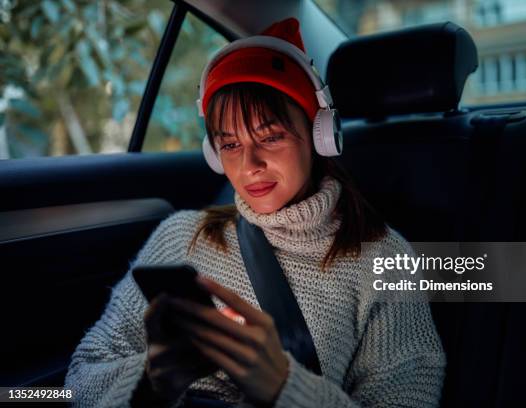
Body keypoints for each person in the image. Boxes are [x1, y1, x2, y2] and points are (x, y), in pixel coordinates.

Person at [64, 17, 446, 408]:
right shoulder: (180, 235)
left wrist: (285, 386)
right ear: (213, 153)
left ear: (320, 135)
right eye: (229, 144)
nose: (250, 165)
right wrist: (149, 378)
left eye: (271, 136)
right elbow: (81, 377)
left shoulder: (383, 259)